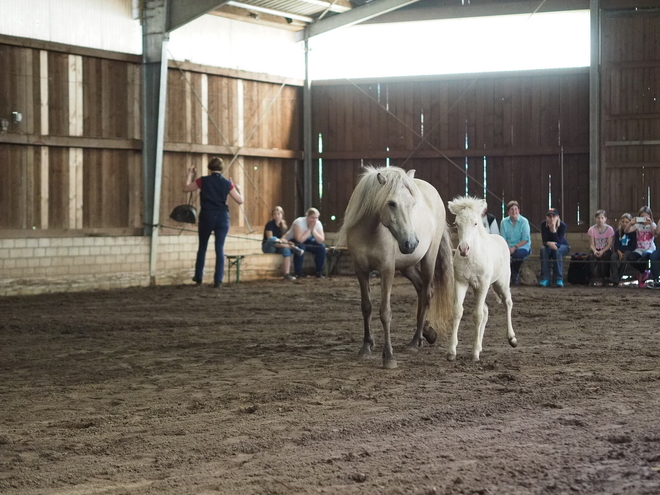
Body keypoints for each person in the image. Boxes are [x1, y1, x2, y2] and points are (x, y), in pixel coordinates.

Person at [183, 157, 244, 288]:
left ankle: (198, 277)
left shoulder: (202, 181)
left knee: (202, 247)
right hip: (222, 217)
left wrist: (189, 175)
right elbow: (240, 201)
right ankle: (218, 280)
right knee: (219, 248)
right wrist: (238, 189)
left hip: (206, 216)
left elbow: (186, 188)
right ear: (221, 168)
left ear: (209, 168)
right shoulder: (227, 183)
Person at [262, 206, 304, 280]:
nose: (277, 216)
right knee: (273, 239)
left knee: (286, 250)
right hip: (269, 247)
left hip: (278, 245)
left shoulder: (284, 226)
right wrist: (287, 244)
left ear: (282, 215)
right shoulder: (270, 224)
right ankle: (292, 248)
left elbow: (283, 239)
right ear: (272, 215)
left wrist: (286, 243)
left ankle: (286, 274)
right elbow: (269, 238)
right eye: (275, 214)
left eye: (278, 214)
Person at [285, 207, 326, 278]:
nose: (314, 220)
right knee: (301, 247)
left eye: (316, 218)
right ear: (307, 216)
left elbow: (321, 240)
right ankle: (298, 272)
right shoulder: (299, 222)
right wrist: (310, 229)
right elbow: (299, 240)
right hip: (292, 240)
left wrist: (313, 230)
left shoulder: (318, 223)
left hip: (307, 239)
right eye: (312, 218)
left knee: (321, 247)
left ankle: (319, 272)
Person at [624, 206, 659, 288]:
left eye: (646, 216)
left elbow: (655, 234)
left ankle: (642, 276)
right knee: (630, 258)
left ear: (650, 216)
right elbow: (626, 231)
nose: (644, 218)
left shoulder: (652, 225)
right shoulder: (637, 225)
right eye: (642, 216)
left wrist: (650, 223)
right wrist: (630, 223)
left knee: (644, 258)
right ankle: (643, 271)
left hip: (649, 249)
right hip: (639, 249)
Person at [500, 200, 531, 285]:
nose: (514, 211)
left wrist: (514, 247)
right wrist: (507, 248)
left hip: (522, 246)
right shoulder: (504, 222)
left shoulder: (524, 221)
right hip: (508, 246)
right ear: (508, 212)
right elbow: (503, 238)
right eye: (512, 209)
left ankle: (515, 273)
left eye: (516, 209)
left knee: (518, 255)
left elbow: (525, 239)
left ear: (519, 210)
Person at [538, 208, 570, 288]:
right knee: (543, 249)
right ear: (546, 217)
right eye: (549, 216)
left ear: (558, 217)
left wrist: (553, 230)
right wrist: (549, 243)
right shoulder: (543, 224)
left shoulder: (562, 226)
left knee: (557, 251)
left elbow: (558, 242)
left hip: (563, 246)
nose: (551, 218)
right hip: (549, 246)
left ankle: (558, 279)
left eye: (554, 216)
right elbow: (544, 241)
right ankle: (545, 278)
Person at [586, 210, 615, 285]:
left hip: (605, 249)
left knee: (606, 256)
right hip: (596, 249)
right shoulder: (592, 230)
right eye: (598, 218)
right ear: (595, 219)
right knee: (590, 257)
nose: (600, 220)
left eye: (602, 218)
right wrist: (595, 251)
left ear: (605, 219)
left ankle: (605, 277)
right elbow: (592, 244)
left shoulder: (609, 229)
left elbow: (609, 244)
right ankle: (592, 278)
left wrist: (602, 251)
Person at [610, 213, 636, 286]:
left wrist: (624, 253)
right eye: (623, 222)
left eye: (627, 222)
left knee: (624, 260)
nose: (624, 224)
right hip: (618, 250)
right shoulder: (618, 232)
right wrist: (619, 252)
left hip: (628, 250)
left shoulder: (633, 232)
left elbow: (633, 246)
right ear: (620, 222)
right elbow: (616, 244)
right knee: (613, 258)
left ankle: (618, 278)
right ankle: (616, 278)